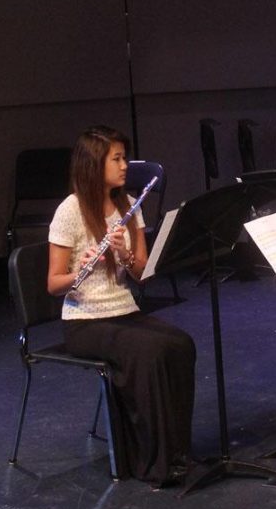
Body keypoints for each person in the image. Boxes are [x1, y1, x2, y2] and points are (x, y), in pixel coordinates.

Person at [47, 126, 196, 488]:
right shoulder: (70, 210)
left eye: (123, 157)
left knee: (180, 344)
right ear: (94, 164)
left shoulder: (129, 205)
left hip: (123, 311)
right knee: (148, 350)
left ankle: (177, 451)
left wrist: (123, 253)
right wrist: (80, 269)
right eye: (117, 158)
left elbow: (143, 272)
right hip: (85, 321)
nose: (125, 165)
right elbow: (53, 284)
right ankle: (151, 460)